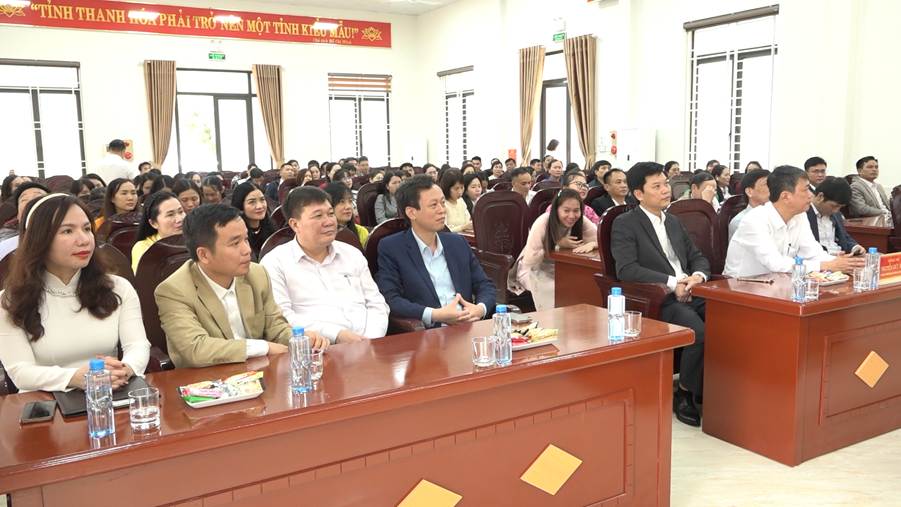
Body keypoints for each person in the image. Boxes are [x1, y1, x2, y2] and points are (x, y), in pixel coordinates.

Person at [0, 194, 149, 392]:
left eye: (87, 229)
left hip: (110, 394)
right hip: (45, 402)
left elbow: (138, 345)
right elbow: (20, 372)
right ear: (40, 240)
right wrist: (76, 377)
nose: (84, 240)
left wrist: (125, 369)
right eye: (67, 231)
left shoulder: (118, 288)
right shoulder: (10, 300)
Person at [155, 204, 326, 368]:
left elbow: (275, 327)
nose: (247, 250)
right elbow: (196, 349)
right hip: (206, 380)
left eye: (246, 239)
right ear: (204, 255)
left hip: (259, 373)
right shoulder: (173, 291)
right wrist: (263, 347)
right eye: (235, 243)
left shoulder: (257, 274)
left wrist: (299, 339)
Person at [611, 162, 710, 426]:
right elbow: (626, 269)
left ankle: (711, 385)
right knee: (698, 332)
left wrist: (696, 277)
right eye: (656, 186)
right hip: (657, 298)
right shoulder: (625, 223)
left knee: (731, 318)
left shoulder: (673, 221)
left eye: (666, 183)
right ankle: (685, 393)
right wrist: (673, 283)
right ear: (638, 194)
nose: (666, 190)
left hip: (690, 290)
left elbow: (697, 256)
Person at [261, 188, 388, 343]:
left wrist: (371, 339)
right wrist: (336, 335)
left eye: (330, 213)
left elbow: (376, 303)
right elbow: (282, 317)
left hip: (371, 344)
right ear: (295, 224)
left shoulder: (352, 254)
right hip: (318, 349)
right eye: (318, 216)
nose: (329, 222)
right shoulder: (275, 262)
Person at [376, 176, 496, 327]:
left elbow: (485, 284)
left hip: (468, 326)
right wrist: (435, 315)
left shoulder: (457, 243)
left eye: (443, 203)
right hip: (428, 333)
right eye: (433, 205)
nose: (442, 210)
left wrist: (479, 309)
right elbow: (391, 299)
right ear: (411, 212)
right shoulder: (392, 248)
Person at [725, 166, 866, 278]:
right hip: (740, 287)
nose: (811, 195)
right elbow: (775, 263)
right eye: (806, 190)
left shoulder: (799, 216)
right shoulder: (754, 220)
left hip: (779, 283)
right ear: (786, 196)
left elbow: (813, 252)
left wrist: (844, 263)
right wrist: (827, 265)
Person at [512, 188, 597, 310]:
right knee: (556, 289)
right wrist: (557, 245)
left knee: (584, 285)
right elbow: (530, 259)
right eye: (566, 210)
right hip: (535, 269)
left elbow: (600, 239)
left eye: (576, 210)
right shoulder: (543, 221)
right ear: (556, 209)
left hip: (564, 268)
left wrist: (593, 244)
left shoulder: (582, 221)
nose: (572, 216)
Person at [807, 177, 864, 255]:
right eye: (834, 206)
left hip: (841, 256)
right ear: (820, 196)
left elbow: (844, 237)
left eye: (840, 207)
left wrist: (855, 247)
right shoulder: (803, 213)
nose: (836, 210)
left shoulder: (836, 213)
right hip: (820, 257)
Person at [132, 191, 185, 273]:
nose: (179, 219)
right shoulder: (143, 248)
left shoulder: (195, 239)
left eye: (181, 212)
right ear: (153, 223)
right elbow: (144, 279)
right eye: (170, 215)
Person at [0, 182, 49, 257]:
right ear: (18, 216)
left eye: (38, 196)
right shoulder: (5, 246)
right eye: (24, 199)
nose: (30, 201)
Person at [231, 181, 274, 261]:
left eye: (262, 200)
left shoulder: (271, 228)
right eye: (252, 202)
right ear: (240, 206)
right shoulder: (235, 235)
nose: (260, 206)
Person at [728, 169, 770, 242]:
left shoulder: (775, 215)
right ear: (749, 191)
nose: (773, 188)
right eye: (767, 184)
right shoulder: (741, 222)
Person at [324, 183, 369, 247]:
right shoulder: (322, 235)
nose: (348, 207)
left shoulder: (361, 232)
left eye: (350, 201)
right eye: (342, 202)